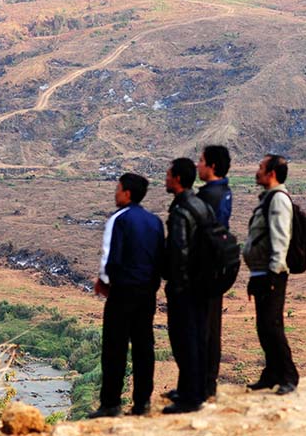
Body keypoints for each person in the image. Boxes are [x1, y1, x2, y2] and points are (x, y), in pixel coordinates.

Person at [88, 173, 165, 418]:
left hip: (122, 292)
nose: (115, 193)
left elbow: (110, 257)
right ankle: (142, 403)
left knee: (114, 347)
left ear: (128, 193)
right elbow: (159, 260)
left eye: (118, 189)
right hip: (146, 293)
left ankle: (110, 404)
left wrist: (103, 282)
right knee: (144, 347)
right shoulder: (155, 222)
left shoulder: (118, 219)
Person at [162, 158, 216, 414]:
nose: (165, 179)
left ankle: (190, 398)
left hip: (187, 288)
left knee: (185, 340)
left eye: (168, 175)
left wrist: (178, 285)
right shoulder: (201, 205)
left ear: (178, 179)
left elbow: (179, 252)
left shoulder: (182, 211)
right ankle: (192, 389)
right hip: (203, 284)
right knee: (196, 338)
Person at [242, 154, 299, 395]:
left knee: (272, 326)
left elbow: (280, 238)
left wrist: (274, 274)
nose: (257, 171)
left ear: (272, 173)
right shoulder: (268, 199)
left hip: (271, 274)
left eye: (261, 167)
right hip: (261, 272)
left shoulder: (278, 200)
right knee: (264, 327)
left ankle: (289, 376)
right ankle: (272, 373)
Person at [196, 145, 233, 400]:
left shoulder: (210, 196)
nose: (198, 165)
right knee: (211, 327)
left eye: (201, 160)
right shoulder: (224, 192)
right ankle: (207, 382)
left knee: (203, 329)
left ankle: (204, 385)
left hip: (206, 270)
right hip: (216, 269)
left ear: (212, 166)